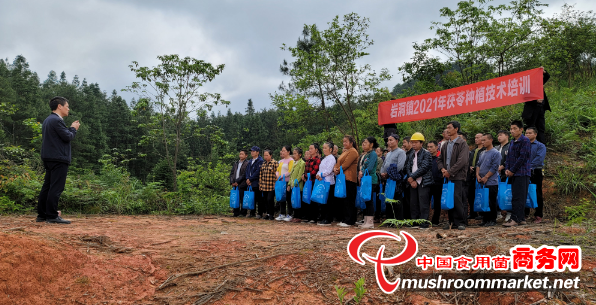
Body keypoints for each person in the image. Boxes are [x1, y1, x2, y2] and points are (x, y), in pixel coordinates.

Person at [37, 96, 80, 224]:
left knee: (48, 186)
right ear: (59, 106)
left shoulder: (48, 120)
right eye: (67, 106)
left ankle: (42, 214)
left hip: (49, 157)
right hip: (58, 158)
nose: (68, 109)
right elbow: (68, 136)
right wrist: (73, 128)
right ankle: (52, 216)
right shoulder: (56, 120)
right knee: (56, 187)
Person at [437, 121, 470, 230]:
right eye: (447, 128)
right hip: (447, 176)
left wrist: (450, 172)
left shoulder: (462, 143)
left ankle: (460, 222)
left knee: (457, 198)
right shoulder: (445, 144)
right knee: (449, 198)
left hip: (457, 176)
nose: (447, 130)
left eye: (449, 128)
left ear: (456, 129)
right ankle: (451, 221)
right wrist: (442, 169)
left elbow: (462, 161)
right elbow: (440, 159)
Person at [503, 120, 532, 227]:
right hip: (513, 173)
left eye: (515, 128)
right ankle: (521, 218)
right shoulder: (512, 142)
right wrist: (507, 169)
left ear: (521, 129)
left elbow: (522, 158)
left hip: (522, 173)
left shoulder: (525, 140)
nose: (512, 131)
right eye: (511, 129)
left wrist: (512, 170)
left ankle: (515, 218)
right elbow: (509, 157)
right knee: (516, 195)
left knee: (519, 196)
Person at [405, 132, 434, 229]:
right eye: (412, 142)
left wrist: (412, 177)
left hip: (424, 181)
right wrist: (411, 179)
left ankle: (424, 223)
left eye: (416, 142)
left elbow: (424, 167)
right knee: (413, 203)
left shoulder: (426, 153)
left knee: (423, 203)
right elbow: (408, 167)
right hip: (413, 181)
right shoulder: (411, 154)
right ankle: (415, 222)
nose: (413, 144)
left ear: (421, 143)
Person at [380, 134, 407, 221]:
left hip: (396, 179)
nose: (389, 142)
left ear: (397, 141)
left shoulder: (401, 152)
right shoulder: (388, 153)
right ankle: (390, 219)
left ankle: (398, 220)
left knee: (397, 199)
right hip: (388, 179)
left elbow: (400, 166)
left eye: (391, 140)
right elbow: (384, 164)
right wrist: (382, 173)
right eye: (388, 140)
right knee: (388, 198)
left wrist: (388, 173)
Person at [475, 133, 501, 227]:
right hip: (481, 182)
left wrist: (486, 177)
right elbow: (478, 165)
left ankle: (492, 220)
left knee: (491, 201)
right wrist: (477, 175)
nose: (483, 142)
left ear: (490, 140)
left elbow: (494, 167)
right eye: (482, 140)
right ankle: (485, 219)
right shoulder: (482, 153)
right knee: (484, 200)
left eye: (484, 140)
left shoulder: (496, 153)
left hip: (491, 182)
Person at [334, 135, 359, 227]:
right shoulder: (345, 151)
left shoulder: (353, 151)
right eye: (343, 142)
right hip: (343, 178)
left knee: (349, 200)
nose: (344, 143)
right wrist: (335, 169)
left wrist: (338, 169)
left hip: (350, 178)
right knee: (344, 199)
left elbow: (346, 164)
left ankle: (350, 220)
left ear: (351, 143)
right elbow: (338, 162)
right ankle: (345, 219)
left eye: (346, 142)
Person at [522, 68, 550, 144]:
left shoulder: (539, 83)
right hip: (531, 111)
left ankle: (541, 146)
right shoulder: (526, 86)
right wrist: (536, 100)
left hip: (540, 109)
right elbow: (525, 97)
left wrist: (544, 72)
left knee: (541, 128)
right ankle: (528, 145)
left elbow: (547, 76)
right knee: (530, 128)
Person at [525, 127, 546, 223]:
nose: (527, 135)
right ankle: (524, 214)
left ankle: (538, 215)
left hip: (535, 171)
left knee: (537, 193)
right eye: (526, 133)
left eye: (530, 133)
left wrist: (529, 166)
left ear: (535, 134)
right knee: (523, 192)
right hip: (523, 172)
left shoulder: (540, 146)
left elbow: (539, 158)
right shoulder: (523, 145)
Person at [357, 137, 379, 229]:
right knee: (366, 199)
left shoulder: (373, 154)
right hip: (364, 179)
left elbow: (369, 167)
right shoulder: (366, 154)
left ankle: (370, 222)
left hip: (371, 179)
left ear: (371, 144)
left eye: (365, 142)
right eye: (363, 143)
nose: (363, 144)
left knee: (369, 200)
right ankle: (366, 220)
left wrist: (362, 172)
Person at [317, 142, 336, 225]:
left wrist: (321, 175)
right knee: (323, 200)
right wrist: (318, 175)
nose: (324, 149)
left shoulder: (332, 158)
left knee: (328, 201)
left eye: (325, 148)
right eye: (323, 148)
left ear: (330, 149)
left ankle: (328, 219)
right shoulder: (324, 159)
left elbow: (328, 170)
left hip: (329, 182)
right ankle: (323, 217)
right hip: (322, 181)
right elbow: (320, 169)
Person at [467, 133, 485, 221]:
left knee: (481, 194)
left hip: (481, 175)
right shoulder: (473, 151)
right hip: (471, 175)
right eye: (475, 137)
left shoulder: (484, 150)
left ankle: (482, 213)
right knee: (470, 195)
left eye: (478, 137)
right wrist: (469, 167)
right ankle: (472, 213)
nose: (476, 139)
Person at [494, 130, 511, 222]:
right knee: (497, 194)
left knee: (507, 194)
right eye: (498, 135)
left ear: (507, 136)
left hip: (506, 174)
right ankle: (498, 214)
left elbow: (511, 158)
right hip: (496, 175)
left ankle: (509, 213)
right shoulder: (496, 148)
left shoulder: (510, 146)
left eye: (501, 135)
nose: (499, 137)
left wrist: (503, 166)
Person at [286, 147, 306, 223]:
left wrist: (295, 183)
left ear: (300, 154)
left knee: (298, 200)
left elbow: (300, 175)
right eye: (293, 153)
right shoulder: (294, 162)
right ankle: (294, 215)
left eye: (295, 153)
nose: (294, 155)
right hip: (292, 185)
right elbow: (291, 175)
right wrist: (288, 184)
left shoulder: (302, 163)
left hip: (298, 186)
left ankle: (299, 216)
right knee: (293, 200)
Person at [303, 143, 322, 223]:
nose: (310, 150)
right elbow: (305, 170)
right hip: (307, 182)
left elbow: (314, 171)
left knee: (314, 199)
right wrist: (303, 175)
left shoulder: (317, 160)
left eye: (311, 149)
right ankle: (308, 216)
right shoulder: (308, 160)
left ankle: (314, 217)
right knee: (307, 198)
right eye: (309, 148)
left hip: (314, 181)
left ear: (316, 150)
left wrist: (306, 176)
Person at [276, 145, 295, 221]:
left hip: (287, 181)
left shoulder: (291, 160)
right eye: (282, 150)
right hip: (281, 182)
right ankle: (282, 213)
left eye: (284, 150)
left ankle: (290, 214)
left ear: (288, 152)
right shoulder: (281, 161)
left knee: (288, 198)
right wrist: (277, 175)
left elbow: (290, 171)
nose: (282, 152)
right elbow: (277, 170)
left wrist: (281, 176)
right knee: (282, 198)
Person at [229, 149, 250, 217]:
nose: (240, 155)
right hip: (235, 184)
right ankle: (236, 213)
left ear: (246, 156)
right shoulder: (236, 163)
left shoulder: (247, 163)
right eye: (240, 154)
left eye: (242, 154)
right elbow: (232, 173)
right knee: (235, 198)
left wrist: (237, 181)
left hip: (242, 184)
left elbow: (244, 174)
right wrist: (232, 181)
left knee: (242, 198)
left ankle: (243, 213)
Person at [427, 141, 443, 226]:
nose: (429, 149)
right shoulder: (426, 157)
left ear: (437, 147)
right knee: (426, 201)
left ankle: (435, 220)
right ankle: (426, 219)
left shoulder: (441, 157)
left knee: (437, 202)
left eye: (431, 147)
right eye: (428, 147)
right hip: (428, 182)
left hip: (438, 182)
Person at [259, 149, 278, 220]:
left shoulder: (275, 163)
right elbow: (261, 175)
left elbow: (277, 174)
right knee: (265, 200)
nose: (265, 157)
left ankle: (271, 214)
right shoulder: (263, 164)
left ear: (271, 155)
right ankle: (267, 213)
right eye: (264, 155)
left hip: (271, 185)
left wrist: (275, 183)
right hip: (264, 185)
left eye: (267, 155)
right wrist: (260, 184)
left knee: (270, 199)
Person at [245, 146, 264, 218]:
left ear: (257, 152)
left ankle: (259, 213)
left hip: (256, 182)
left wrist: (250, 179)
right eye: (251, 151)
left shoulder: (260, 161)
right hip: (249, 182)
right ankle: (252, 212)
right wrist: (247, 178)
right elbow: (247, 171)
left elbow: (258, 172)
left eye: (253, 151)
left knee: (258, 198)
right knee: (251, 198)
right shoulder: (250, 161)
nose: (252, 152)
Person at [401, 136, 413, 219]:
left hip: (411, 178)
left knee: (410, 200)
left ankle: (410, 218)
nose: (403, 145)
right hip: (405, 179)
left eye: (404, 142)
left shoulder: (413, 153)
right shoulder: (406, 153)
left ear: (410, 143)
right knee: (406, 199)